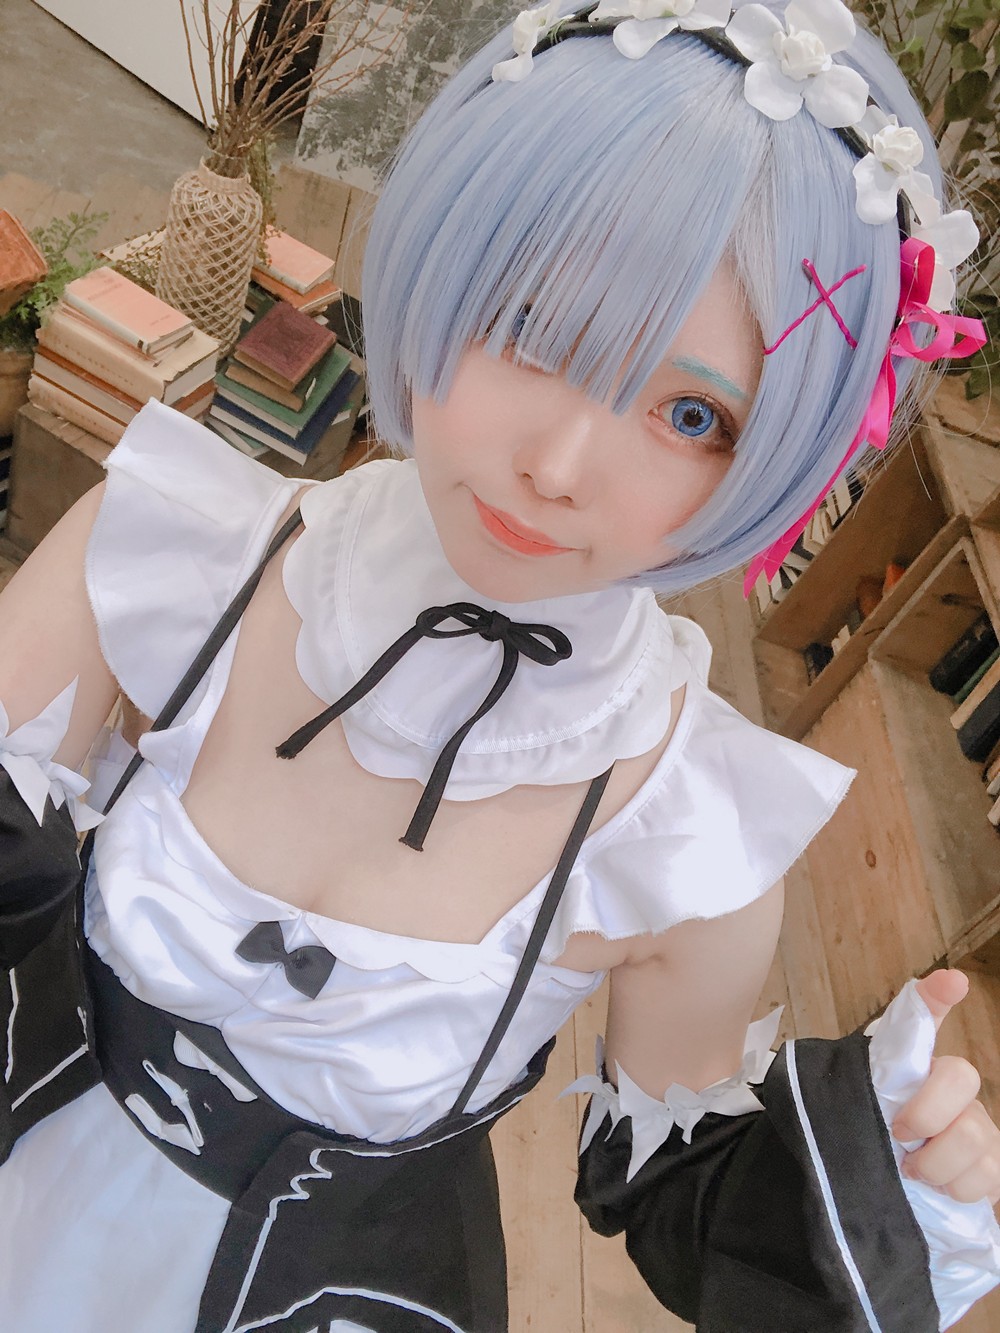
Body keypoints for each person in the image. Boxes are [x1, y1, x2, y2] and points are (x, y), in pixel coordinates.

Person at [0, 0, 998, 1329]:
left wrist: (892, 1187)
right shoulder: (163, 559)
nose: (560, 467)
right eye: (536, 323)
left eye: (690, 412)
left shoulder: (686, 829)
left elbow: (679, 1192)